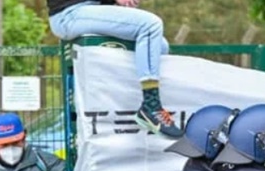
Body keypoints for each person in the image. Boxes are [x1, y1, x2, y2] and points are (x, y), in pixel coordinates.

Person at [47, 0, 182, 139]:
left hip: (87, 11)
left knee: (160, 45)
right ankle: (151, 105)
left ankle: (136, 104)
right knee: (150, 25)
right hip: (69, 14)